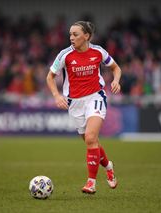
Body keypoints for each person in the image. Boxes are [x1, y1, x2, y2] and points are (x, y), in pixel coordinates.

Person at [46, 21, 122, 194]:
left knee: (90, 137)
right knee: (91, 142)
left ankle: (91, 182)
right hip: (75, 103)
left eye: (75, 34)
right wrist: (57, 96)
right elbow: (50, 77)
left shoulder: (98, 51)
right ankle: (109, 166)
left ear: (86, 36)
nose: (71, 38)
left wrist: (116, 80)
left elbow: (116, 68)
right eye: (70, 34)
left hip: (96, 97)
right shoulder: (64, 55)